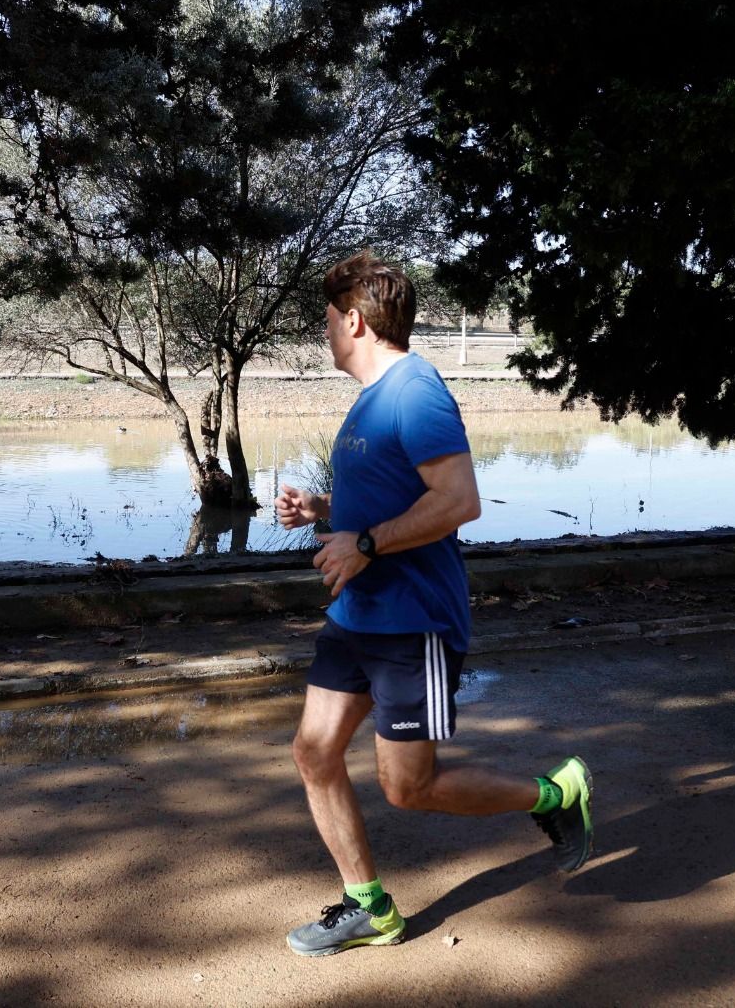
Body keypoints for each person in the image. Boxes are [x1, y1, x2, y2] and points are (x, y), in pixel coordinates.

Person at [275, 251, 593, 957]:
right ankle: (371, 909)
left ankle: (558, 794)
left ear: (353, 320)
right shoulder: (370, 399)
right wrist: (324, 509)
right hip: (357, 613)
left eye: (328, 319)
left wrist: (362, 542)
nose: (325, 331)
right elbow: (390, 496)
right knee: (314, 752)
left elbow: (459, 503)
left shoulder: (416, 390)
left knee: (408, 787)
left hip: (411, 620)